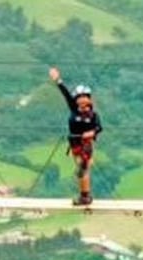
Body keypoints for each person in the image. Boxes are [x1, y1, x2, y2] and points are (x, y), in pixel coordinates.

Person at [49, 66, 103, 206]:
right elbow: (65, 94)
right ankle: (84, 195)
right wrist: (58, 80)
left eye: (85, 97)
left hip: (86, 143)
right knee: (81, 167)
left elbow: (99, 128)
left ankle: (85, 195)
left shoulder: (93, 115)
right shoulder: (74, 109)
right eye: (80, 97)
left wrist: (92, 132)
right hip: (74, 143)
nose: (82, 100)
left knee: (83, 167)